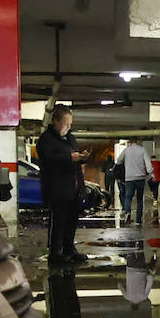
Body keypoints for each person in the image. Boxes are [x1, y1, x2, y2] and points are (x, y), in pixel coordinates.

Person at [37, 105, 90, 266]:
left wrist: (82, 158)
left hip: (72, 187)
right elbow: (48, 159)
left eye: (70, 124)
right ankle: (55, 253)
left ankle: (69, 249)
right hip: (56, 187)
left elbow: (73, 159)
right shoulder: (46, 139)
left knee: (71, 220)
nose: (68, 127)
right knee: (58, 220)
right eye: (66, 124)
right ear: (56, 121)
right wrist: (69, 157)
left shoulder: (70, 138)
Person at [116, 138, 153, 225]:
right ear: (137, 142)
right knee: (139, 199)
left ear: (129, 142)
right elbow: (148, 164)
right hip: (140, 178)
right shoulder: (142, 150)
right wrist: (150, 172)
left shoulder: (126, 150)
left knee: (128, 197)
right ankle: (138, 220)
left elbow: (118, 161)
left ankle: (128, 212)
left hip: (129, 178)